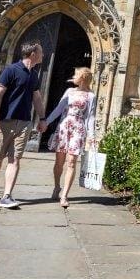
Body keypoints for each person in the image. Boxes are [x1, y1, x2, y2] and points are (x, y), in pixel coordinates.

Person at [0, 41, 45, 209]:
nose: (43, 55)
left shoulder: (34, 74)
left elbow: (37, 98)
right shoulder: (11, 70)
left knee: (15, 159)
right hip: (5, 120)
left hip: (24, 122)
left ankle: (7, 195)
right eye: (40, 52)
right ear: (33, 53)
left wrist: (42, 118)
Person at [39, 66, 96, 208]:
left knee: (71, 162)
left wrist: (92, 136)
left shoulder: (91, 96)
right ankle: (57, 186)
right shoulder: (69, 91)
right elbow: (59, 109)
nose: (73, 77)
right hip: (64, 127)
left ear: (82, 78)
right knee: (59, 162)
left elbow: (90, 117)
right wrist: (46, 122)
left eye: (76, 75)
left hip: (78, 129)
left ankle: (64, 195)